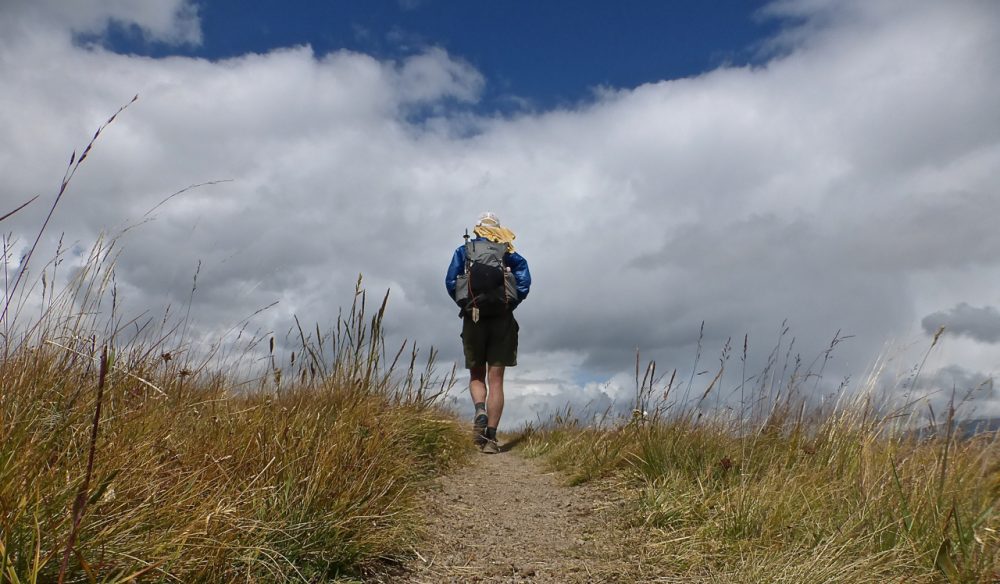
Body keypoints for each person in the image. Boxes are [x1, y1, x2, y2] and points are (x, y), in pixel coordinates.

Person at [445, 211, 531, 453]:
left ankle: (480, 409)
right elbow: (524, 281)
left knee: (476, 376)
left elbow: (451, 282)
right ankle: (491, 439)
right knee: (497, 381)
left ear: (477, 230)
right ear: (497, 230)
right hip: (502, 320)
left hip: (474, 318)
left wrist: (467, 303)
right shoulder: (508, 251)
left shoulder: (465, 251)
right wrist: (510, 304)